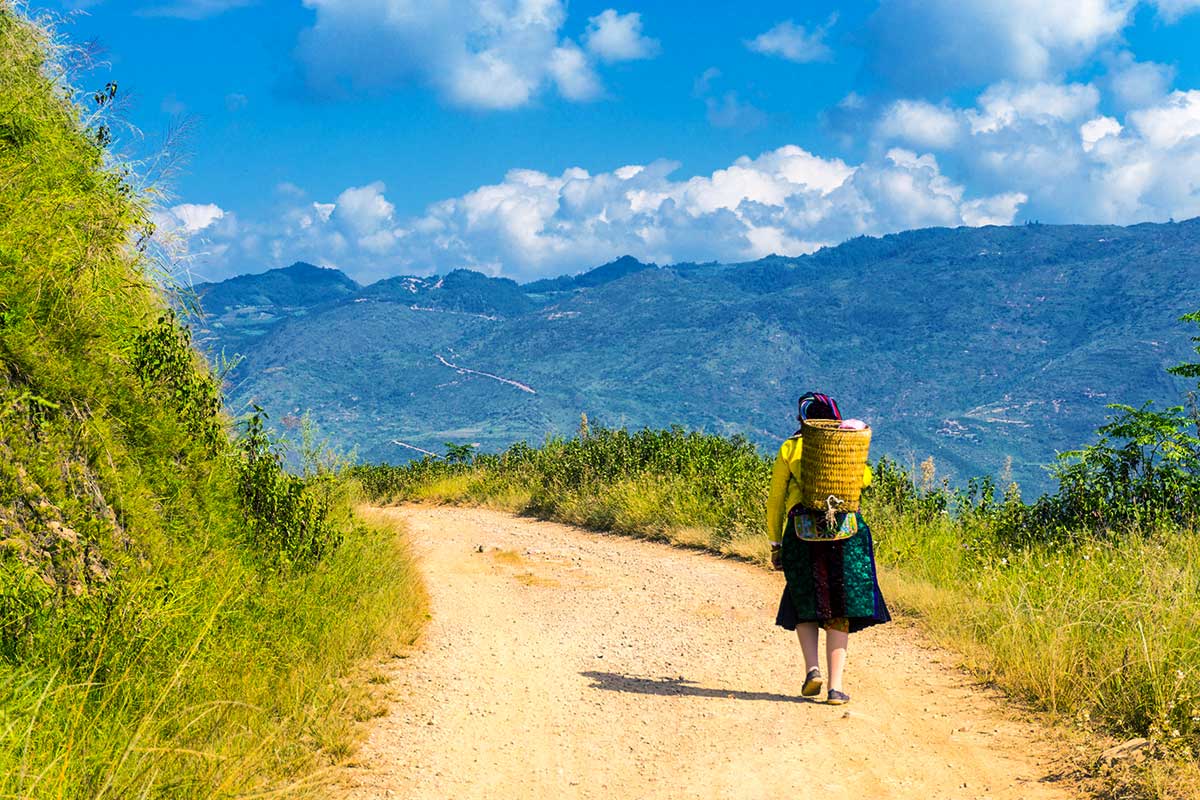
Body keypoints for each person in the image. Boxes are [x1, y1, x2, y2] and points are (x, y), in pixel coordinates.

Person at [766, 392, 891, 705]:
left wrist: (775, 543)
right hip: (845, 534)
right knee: (840, 606)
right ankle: (835, 688)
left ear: (805, 421)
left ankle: (812, 670)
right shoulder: (846, 446)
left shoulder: (790, 448)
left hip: (801, 533)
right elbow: (864, 480)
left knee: (804, 600)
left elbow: (776, 499)